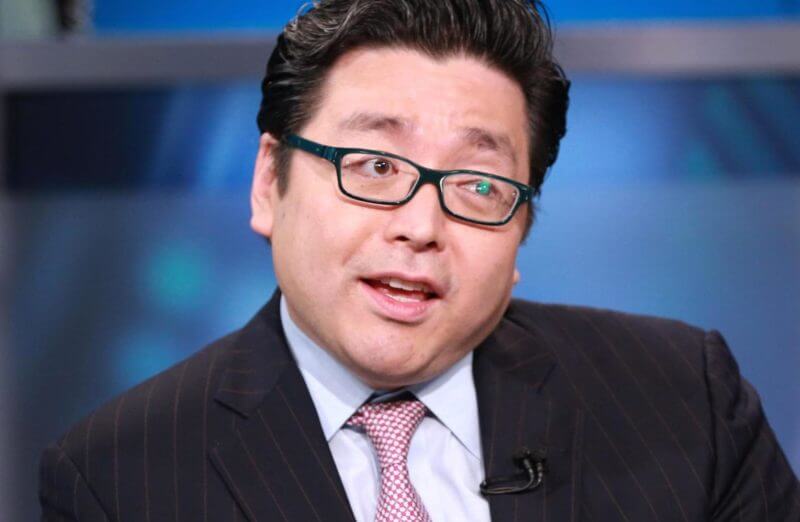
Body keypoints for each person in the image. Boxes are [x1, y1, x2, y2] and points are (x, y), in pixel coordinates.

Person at [39, 0, 799, 520]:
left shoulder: (686, 403)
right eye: (374, 166)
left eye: (479, 185)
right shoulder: (118, 477)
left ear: (522, 228)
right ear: (270, 182)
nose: (420, 227)